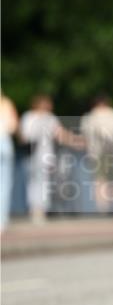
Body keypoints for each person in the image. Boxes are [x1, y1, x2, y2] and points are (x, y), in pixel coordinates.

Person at [19, 95, 80, 223]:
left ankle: (37, 211)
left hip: (41, 157)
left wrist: (78, 142)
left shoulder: (44, 118)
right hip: (34, 156)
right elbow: (24, 137)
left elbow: (60, 134)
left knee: (38, 183)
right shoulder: (35, 117)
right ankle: (37, 210)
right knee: (38, 183)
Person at [80, 95, 113, 213]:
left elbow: (85, 139)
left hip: (97, 153)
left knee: (100, 180)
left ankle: (103, 208)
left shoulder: (90, 117)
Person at [0, 92, 19, 231]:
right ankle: (2, 220)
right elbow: (14, 126)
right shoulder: (6, 103)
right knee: (4, 184)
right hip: (4, 142)